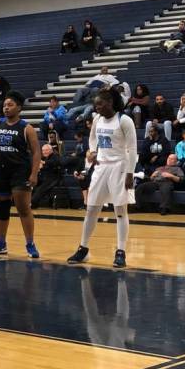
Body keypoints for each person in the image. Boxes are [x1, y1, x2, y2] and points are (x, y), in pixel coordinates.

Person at [67, 88, 137, 268]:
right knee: (91, 209)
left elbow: (132, 149)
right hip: (101, 166)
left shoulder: (124, 120)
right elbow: (92, 140)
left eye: (100, 104)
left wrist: (130, 173)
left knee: (120, 211)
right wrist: (91, 152)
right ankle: (83, 249)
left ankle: (121, 251)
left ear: (110, 102)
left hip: (120, 167)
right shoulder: (97, 119)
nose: (96, 107)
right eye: (95, 104)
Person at [0, 91, 41, 257]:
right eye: (5, 105)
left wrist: (34, 174)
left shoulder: (26, 128)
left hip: (20, 171)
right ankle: (1, 244)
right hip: (0, 171)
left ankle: (30, 244)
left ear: (19, 108)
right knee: (1, 209)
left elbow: (36, 152)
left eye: (10, 105)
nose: (6, 108)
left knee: (23, 208)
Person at [31, 144, 62, 209]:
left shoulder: (55, 156)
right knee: (31, 184)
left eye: (46, 150)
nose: (44, 152)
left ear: (51, 150)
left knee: (40, 190)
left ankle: (33, 204)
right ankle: (28, 202)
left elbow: (56, 162)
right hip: (42, 177)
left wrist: (44, 163)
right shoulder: (43, 157)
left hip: (52, 179)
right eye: (43, 150)